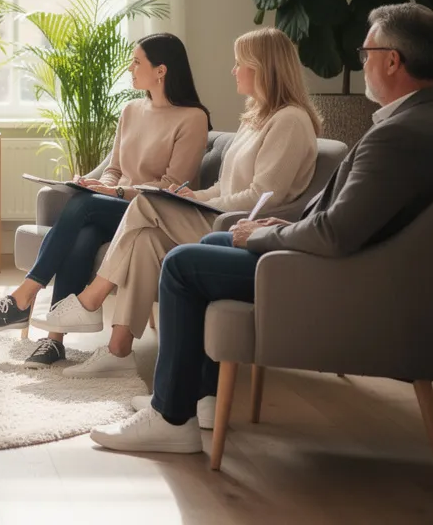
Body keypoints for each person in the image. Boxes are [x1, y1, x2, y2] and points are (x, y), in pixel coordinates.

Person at [89, 3, 433, 454]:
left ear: (393, 60)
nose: (362, 61)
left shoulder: (399, 135)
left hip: (337, 279)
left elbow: (335, 235)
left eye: (367, 51)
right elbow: (349, 216)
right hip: (359, 269)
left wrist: (262, 234)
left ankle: (172, 416)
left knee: (181, 264)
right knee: (211, 241)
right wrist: (282, 222)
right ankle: (193, 397)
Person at [50, 28, 321, 380]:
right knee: (144, 241)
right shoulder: (256, 118)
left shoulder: (290, 121)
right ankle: (119, 350)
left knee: (146, 202)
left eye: (240, 64)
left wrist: (204, 203)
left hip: (237, 229)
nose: (233, 71)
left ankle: (91, 300)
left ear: (263, 68)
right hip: (218, 214)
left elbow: (262, 196)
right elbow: (227, 185)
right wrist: (193, 197)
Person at [0, 33, 211, 370]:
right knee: (82, 233)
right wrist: (101, 184)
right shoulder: (131, 110)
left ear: (161, 70)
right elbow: (115, 169)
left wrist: (116, 193)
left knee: (82, 207)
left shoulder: (193, 118)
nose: (130, 68)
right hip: (117, 205)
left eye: (137, 62)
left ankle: (23, 296)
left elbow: (171, 187)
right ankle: (54, 342)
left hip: (153, 212)